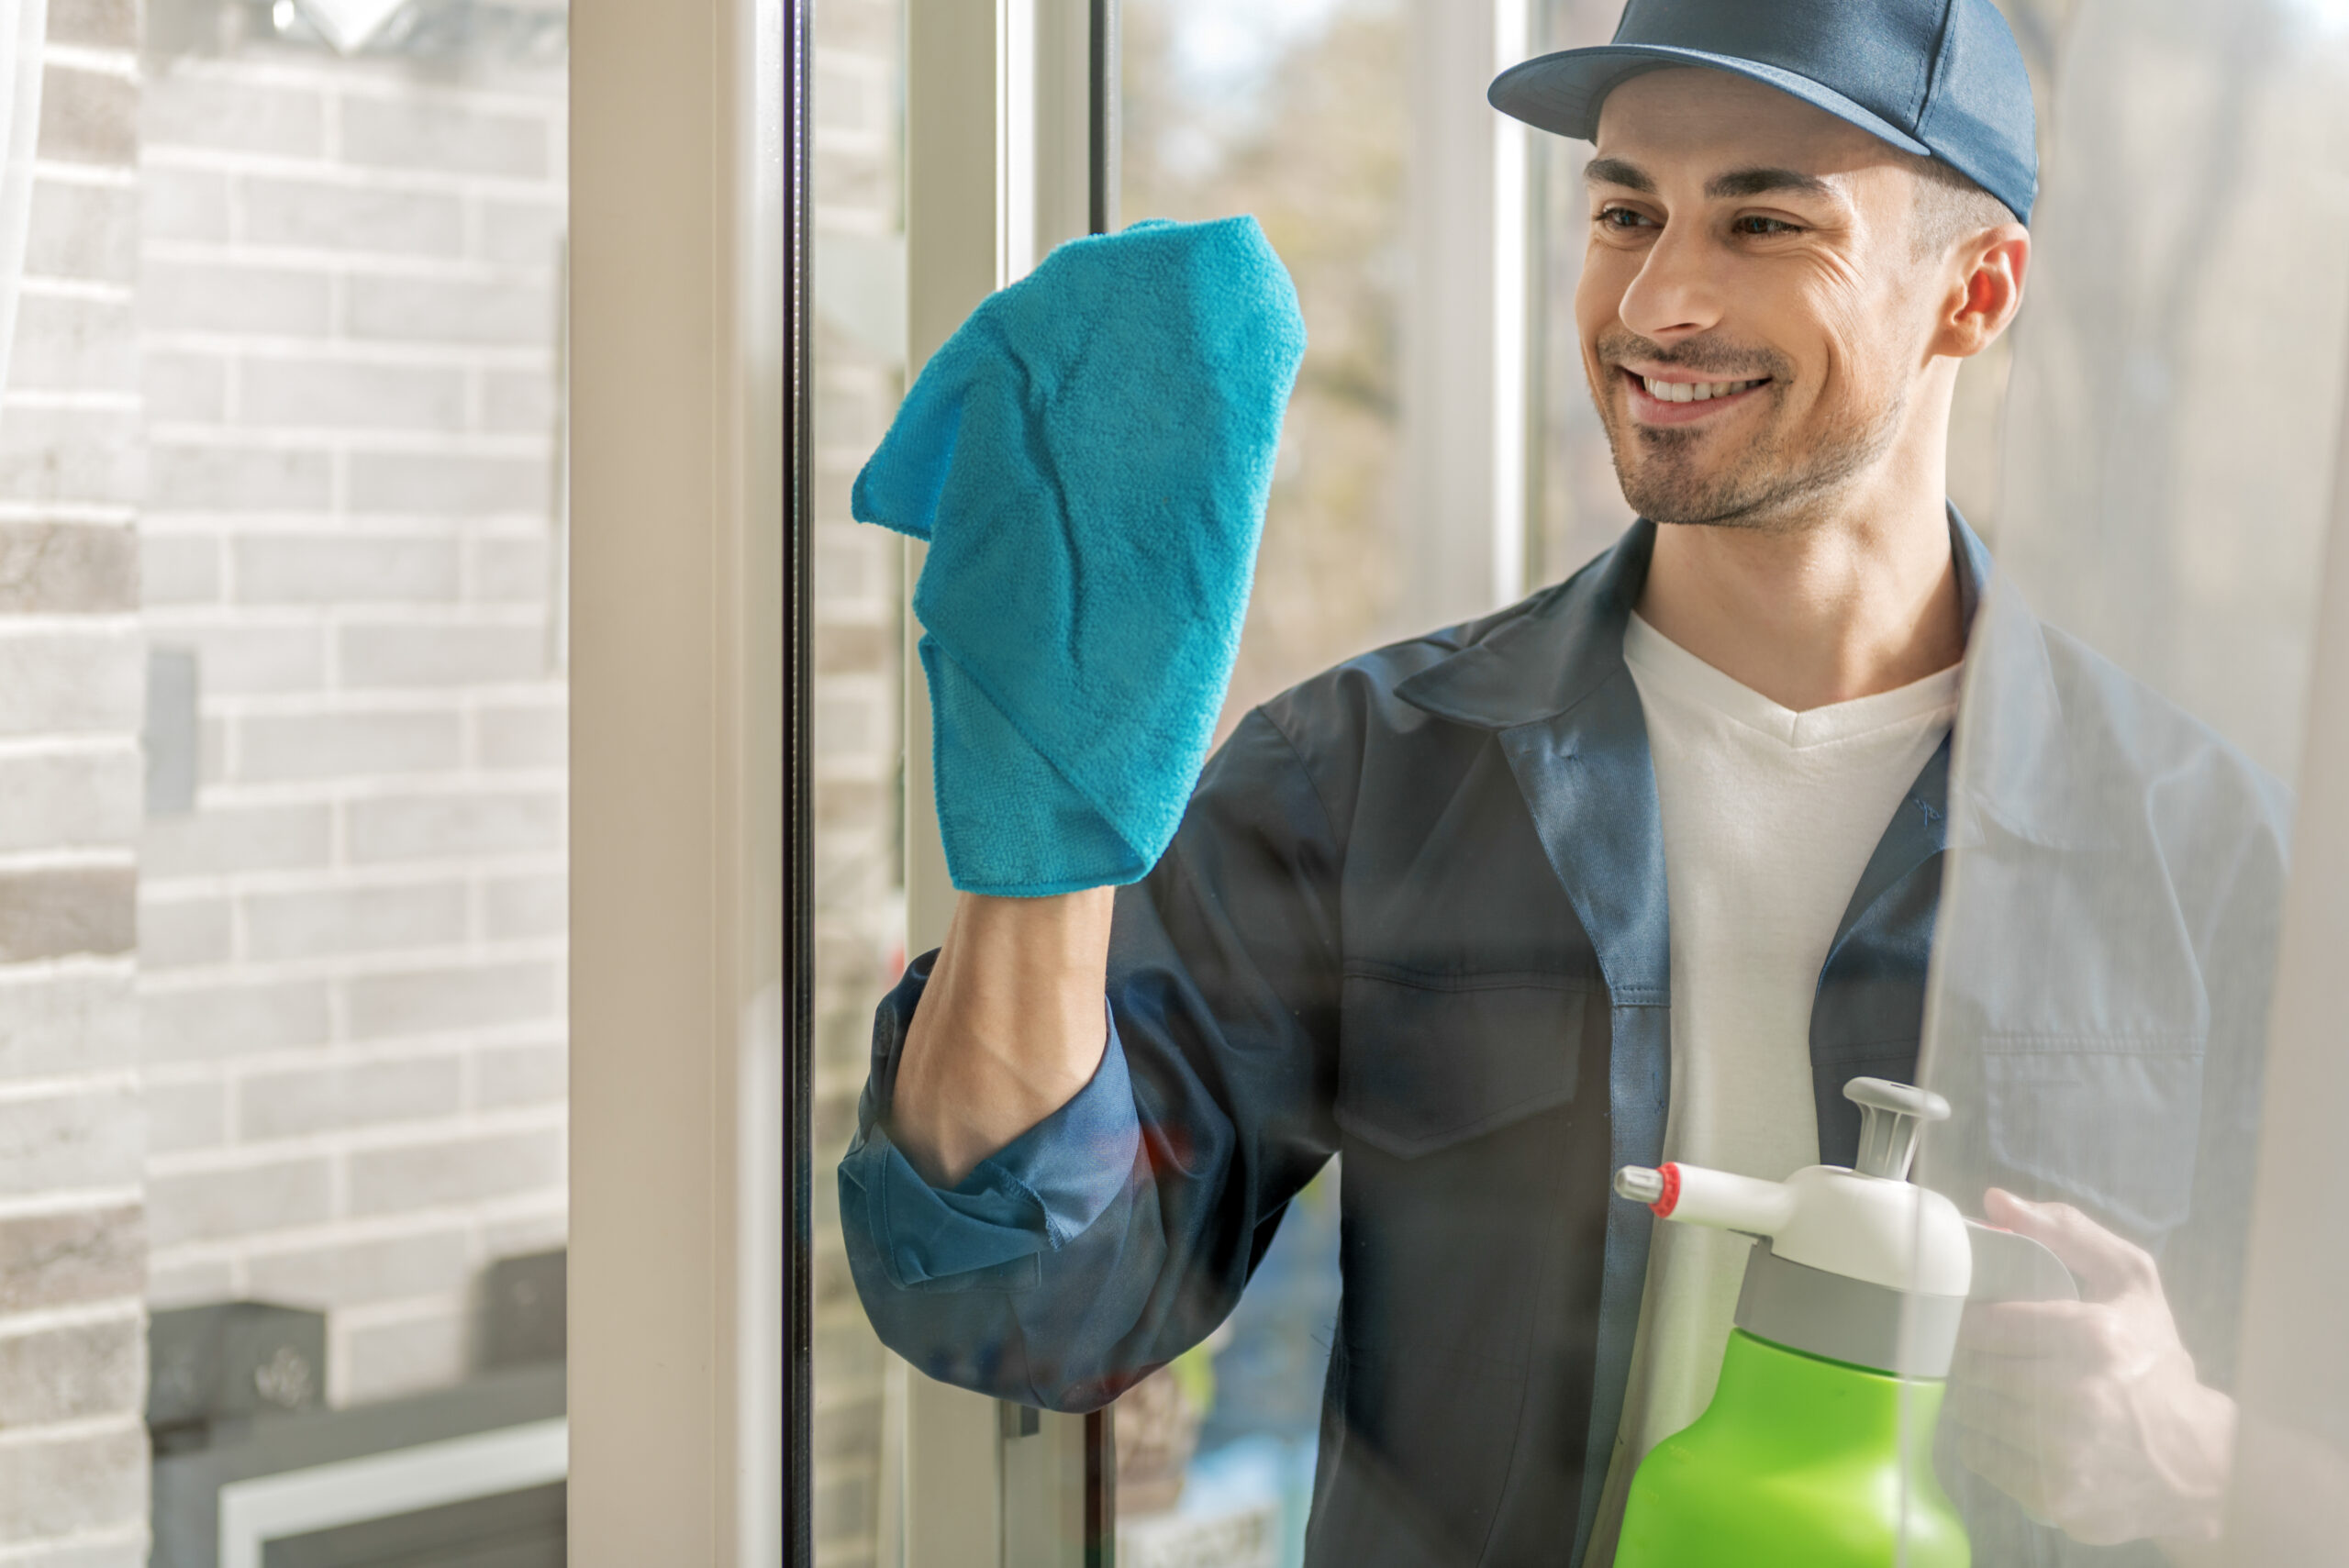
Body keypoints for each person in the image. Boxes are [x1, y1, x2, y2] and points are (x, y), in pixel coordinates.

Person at [838, 1, 2284, 1563]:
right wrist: (1046, 814)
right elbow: (1029, 1303)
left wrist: (2204, 1458)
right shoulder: (1367, 775)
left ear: (1976, 290)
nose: (1660, 298)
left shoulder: (2198, 849)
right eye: (1624, 212)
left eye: (1763, 221)